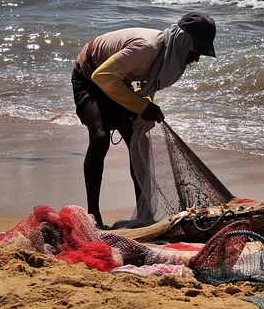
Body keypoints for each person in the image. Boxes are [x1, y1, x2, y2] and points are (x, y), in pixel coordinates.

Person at [72, 12, 217, 228]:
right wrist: (142, 106)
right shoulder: (147, 47)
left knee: (138, 142)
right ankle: (93, 216)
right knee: (100, 137)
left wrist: (143, 106)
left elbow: (145, 83)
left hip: (119, 80)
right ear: (184, 41)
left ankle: (143, 214)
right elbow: (102, 77)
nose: (196, 59)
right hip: (89, 76)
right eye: (196, 51)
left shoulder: (170, 57)